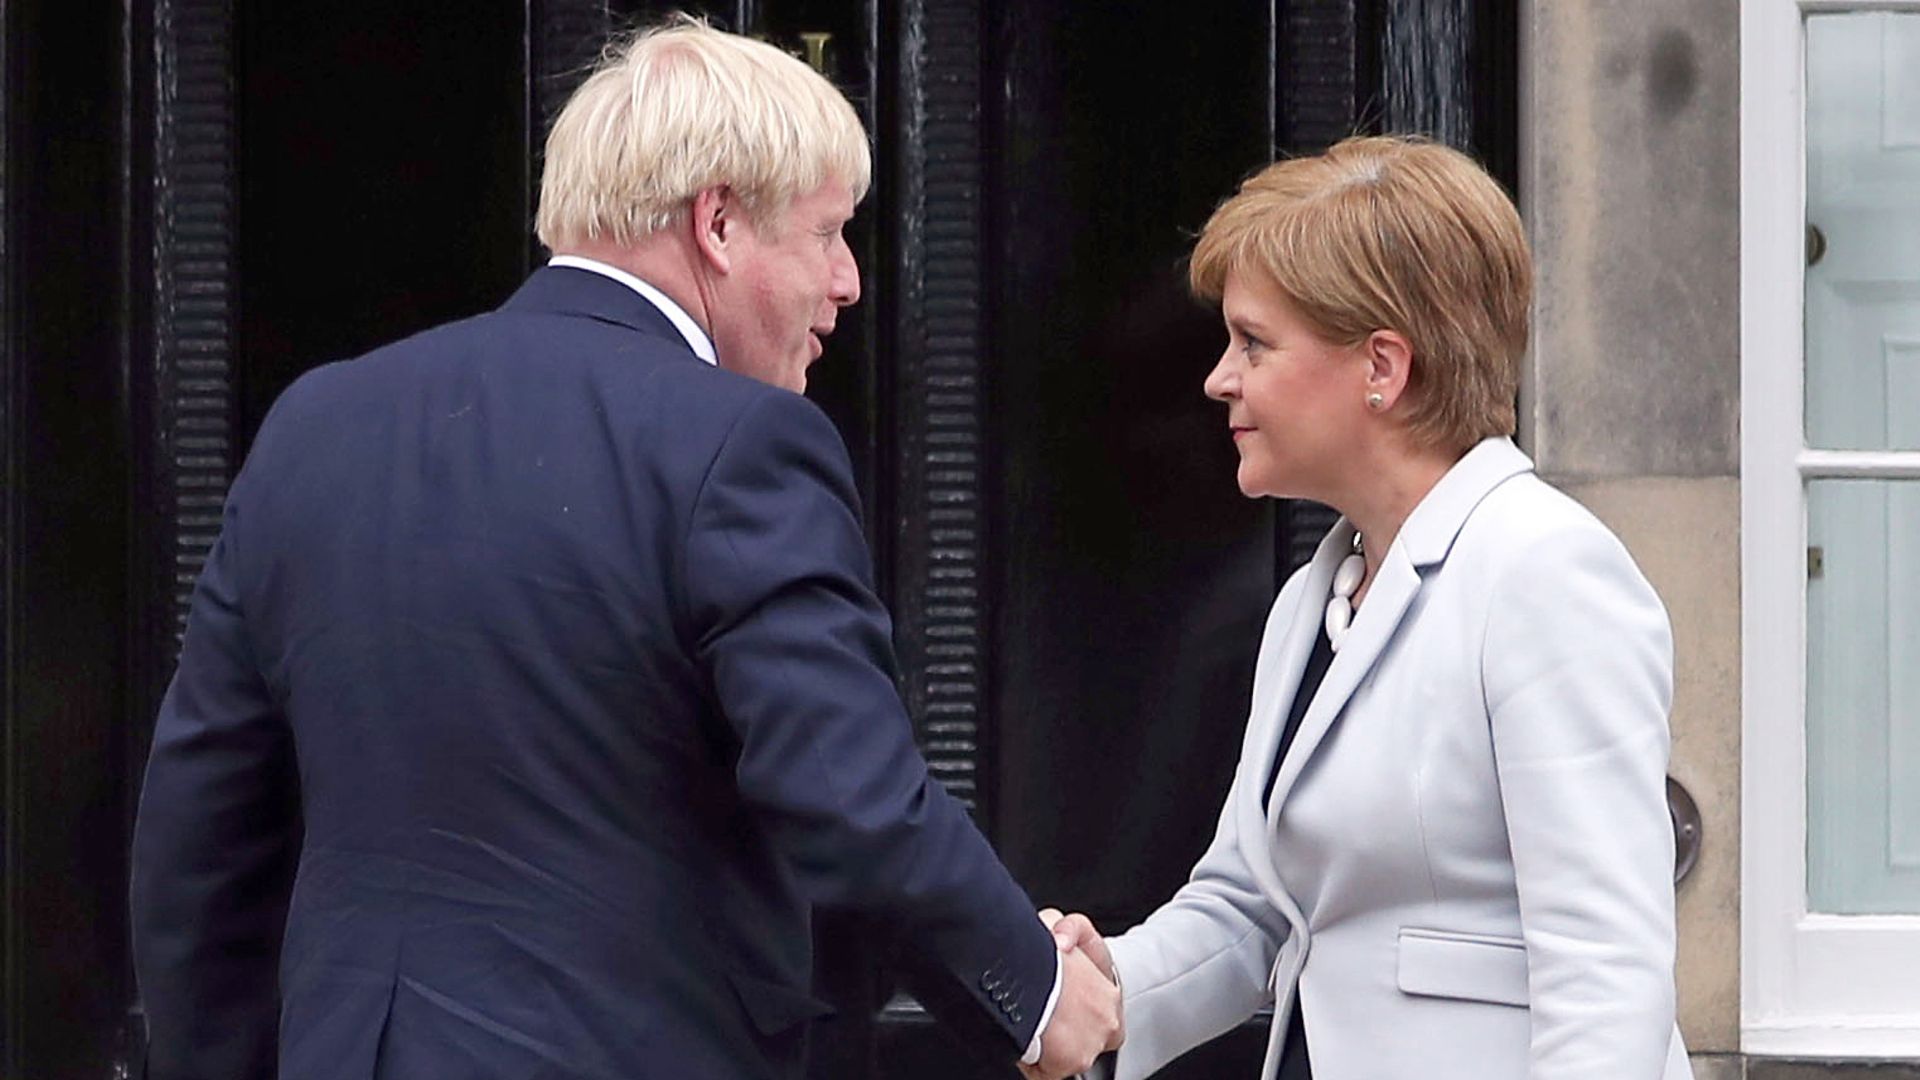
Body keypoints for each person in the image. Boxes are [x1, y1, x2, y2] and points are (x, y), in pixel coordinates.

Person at [129, 18, 1120, 1080]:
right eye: (829, 234)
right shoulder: (740, 443)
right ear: (722, 224)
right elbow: (850, 797)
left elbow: (201, 837)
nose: (849, 283)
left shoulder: (316, 427)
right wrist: (1042, 994)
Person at [1045, 135, 1693, 1079]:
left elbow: (1607, 977)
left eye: (1254, 343)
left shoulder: (1544, 571)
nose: (1218, 378)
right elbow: (1254, 907)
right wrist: (1099, 994)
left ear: (1382, 366)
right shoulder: (1317, 598)